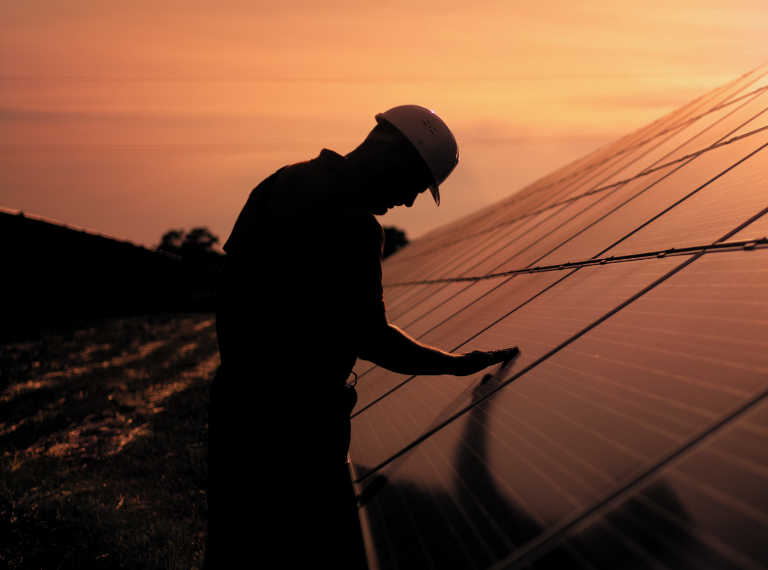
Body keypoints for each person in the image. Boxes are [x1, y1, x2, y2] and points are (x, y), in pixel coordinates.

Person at [205, 105, 519, 569]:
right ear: (395, 156)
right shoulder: (354, 226)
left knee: (235, 545)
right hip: (300, 429)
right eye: (414, 186)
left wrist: (245, 372)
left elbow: (231, 288)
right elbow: (372, 338)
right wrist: (453, 363)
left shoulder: (281, 182)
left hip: (237, 408)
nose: (408, 202)